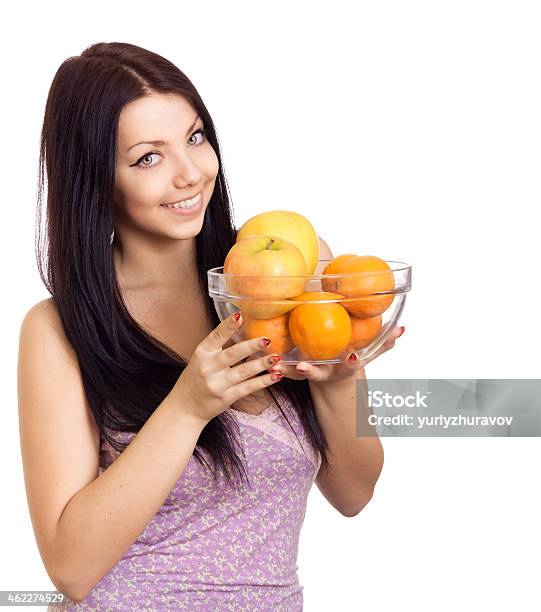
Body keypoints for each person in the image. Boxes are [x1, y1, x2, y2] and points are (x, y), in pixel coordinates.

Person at [17, 42, 401, 611]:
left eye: (195, 138)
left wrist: (339, 379)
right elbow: (71, 568)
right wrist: (189, 404)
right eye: (149, 157)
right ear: (96, 179)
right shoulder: (60, 330)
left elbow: (353, 494)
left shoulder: (286, 273)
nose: (191, 173)